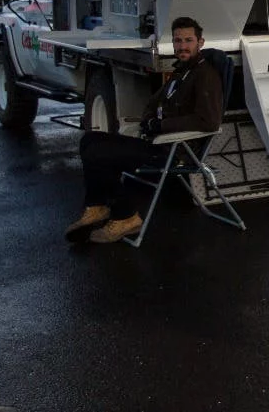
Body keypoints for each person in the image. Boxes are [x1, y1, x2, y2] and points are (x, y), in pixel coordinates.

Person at [66, 16, 224, 244]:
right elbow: (153, 102)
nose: (182, 46)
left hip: (175, 151)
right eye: (178, 40)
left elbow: (209, 121)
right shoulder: (181, 71)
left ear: (200, 42)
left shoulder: (204, 75)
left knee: (100, 154)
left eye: (188, 40)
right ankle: (97, 206)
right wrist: (149, 120)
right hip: (157, 141)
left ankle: (125, 216)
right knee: (89, 141)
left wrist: (161, 126)